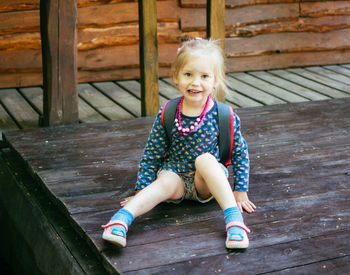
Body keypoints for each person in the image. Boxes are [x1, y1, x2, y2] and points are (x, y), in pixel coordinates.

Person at [102, 38, 256, 249]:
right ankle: (120, 220)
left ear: (215, 81)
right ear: (176, 77)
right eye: (188, 74)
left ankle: (235, 221)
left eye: (204, 76)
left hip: (205, 183)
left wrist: (240, 190)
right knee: (164, 181)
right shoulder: (168, 112)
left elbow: (240, 153)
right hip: (176, 180)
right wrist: (141, 189)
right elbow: (152, 153)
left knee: (206, 160)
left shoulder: (224, 115)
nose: (195, 82)